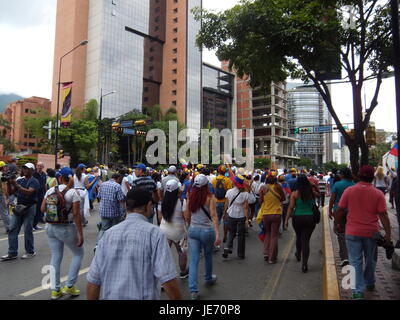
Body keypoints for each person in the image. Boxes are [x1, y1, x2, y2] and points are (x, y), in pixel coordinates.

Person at [87, 189, 182, 300]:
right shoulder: (154, 234)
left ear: (126, 206)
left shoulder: (108, 234)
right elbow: (168, 281)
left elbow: (93, 281)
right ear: (149, 205)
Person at [335, 165, 392, 300]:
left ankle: (357, 291)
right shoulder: (378, 193)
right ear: (372, 177)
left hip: (352, 231)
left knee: (355, 261)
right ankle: (370, 282)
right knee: (371, 260)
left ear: (358, 175)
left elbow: (340, 210)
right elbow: (383, 215)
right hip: (372, 232)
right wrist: (388, 235)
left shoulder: (349, 191)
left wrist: (337, 224)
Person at [41, 167, 84, 299]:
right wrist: (80, 234)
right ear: (71, 178)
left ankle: (55, 290)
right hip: (66, 228)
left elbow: (43, 209)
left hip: (50, 227)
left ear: (60, 178)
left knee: (55, 256)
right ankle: (70, 286)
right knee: (78, 253)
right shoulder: (73, 193)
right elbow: (76, 214)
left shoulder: (50, 190)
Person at [184, 174, 221, 300]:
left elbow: (187, 215)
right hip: (206, 231)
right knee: (208, 255)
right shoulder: (210, 197)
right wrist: (217, 233)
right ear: (206, 185)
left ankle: (193, 290)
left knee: (193, 260)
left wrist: (190, 226)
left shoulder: (190, 196)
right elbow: (214, 216)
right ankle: (208, 278)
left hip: (193, 230)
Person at [1, 163, 40, 261]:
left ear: (32, 170)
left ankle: (30, 251)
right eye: (23, 168)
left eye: (27, 168)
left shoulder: (34, 181)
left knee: (27, 230)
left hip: (30, 207)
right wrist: (9, 183)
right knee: (12, 228)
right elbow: (11, 192)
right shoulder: (20, 180)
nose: (24, 170)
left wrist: (16, 184)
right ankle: (12, 253)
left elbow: (29, 192)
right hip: (19, 207)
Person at [285, 175, 320, 273]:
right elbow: (319, 195)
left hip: (297, 218)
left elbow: (291, 207)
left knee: (299, 236)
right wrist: (314, 186)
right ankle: (304, 264)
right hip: (310, 218)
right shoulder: (311, 193)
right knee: (306, 241)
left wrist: (286, 220)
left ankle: (298, 253)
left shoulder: (294, 194)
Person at [160, 179, 188, 279]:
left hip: (164, 229)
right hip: (178, 231)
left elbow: (161, 216)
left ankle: (164, 277)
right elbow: (186, 217)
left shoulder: (163, 200)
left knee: (164, 254)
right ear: (177, 190)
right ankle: (183, 272)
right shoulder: (181, 201)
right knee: (181, 252)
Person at [329, 168, 355, 267]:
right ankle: (351, 254)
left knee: (340, 232)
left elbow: (332, 199)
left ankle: (344, 257)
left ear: (343, 174)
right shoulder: (353, 185)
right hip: (351, 212)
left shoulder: (337, 184)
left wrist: (330, 210)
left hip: (338, 211)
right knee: (351, 232)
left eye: (340, 173)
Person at [258, 172, 285, 263]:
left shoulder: (262, 188)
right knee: (274, 236)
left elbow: (260, 201)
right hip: (276, 214)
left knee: (268, 233)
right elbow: (283, 198)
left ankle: (266, 253)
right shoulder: (278, 187)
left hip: (266, 214)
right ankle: (272, 258)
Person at [222, 171, 249, 260]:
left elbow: (226, 203)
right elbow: (245, 207)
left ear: (234, 183)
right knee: (241, 235)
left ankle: (227, 246)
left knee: (231, 232)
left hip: (231, 214)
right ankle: (240, 254)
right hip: (241, 215)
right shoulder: (245, 194)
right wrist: (247, 219)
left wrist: (224, 213)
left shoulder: (229, 192)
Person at [96, 173, 126, 245]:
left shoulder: (103, 184)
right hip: (114, 211)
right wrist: (124, 211)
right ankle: (112, 244)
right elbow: (121, 200)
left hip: (103, 211)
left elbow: (99, 196)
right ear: (118, 179)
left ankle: (98, 245)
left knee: (104, 228)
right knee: (114, 229)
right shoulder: (117, 186)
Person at [211, 165, 232, 241]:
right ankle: (225, 236)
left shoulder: (213, 180)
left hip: (215, 202)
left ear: (218, 171)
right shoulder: (227, 180)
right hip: (225, 202)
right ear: (225, 172)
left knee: (215, 220)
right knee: (225, 220)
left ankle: (216, 236)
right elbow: (229, 193)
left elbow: (212, 192)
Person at [33, 162, 47, 231]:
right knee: (34, 210)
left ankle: (35, 224)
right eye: (38, 166)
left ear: (43, 167)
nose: (39, 167)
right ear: (36, 166)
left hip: (42, 194)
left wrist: (46, 192)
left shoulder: (44, 174)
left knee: (39, 210)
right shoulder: (34, 174)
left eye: (41, 166)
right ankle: (32, 225)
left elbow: (45, 184)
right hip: (35, 195)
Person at [0, 161, 10, 233]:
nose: (5, 168)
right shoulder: (2, 175)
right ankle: (9, 227)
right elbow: (4, 187)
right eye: (4, 166)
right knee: (4, 212)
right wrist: (7, 197)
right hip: (0, 195)